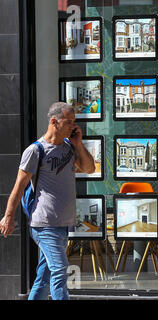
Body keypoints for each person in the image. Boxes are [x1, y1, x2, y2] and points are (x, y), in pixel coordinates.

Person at [0, 102, 95, 300]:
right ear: (54, 122)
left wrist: (78, 144)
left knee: (44, 276)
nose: (73, 127)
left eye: (74, 122)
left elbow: (89, 169)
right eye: (69, 122)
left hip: (63, 224)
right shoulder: (36, 151)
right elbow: (18, 187)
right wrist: (8, 216)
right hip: (44, 223)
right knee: (60, 270)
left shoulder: (69, 147)